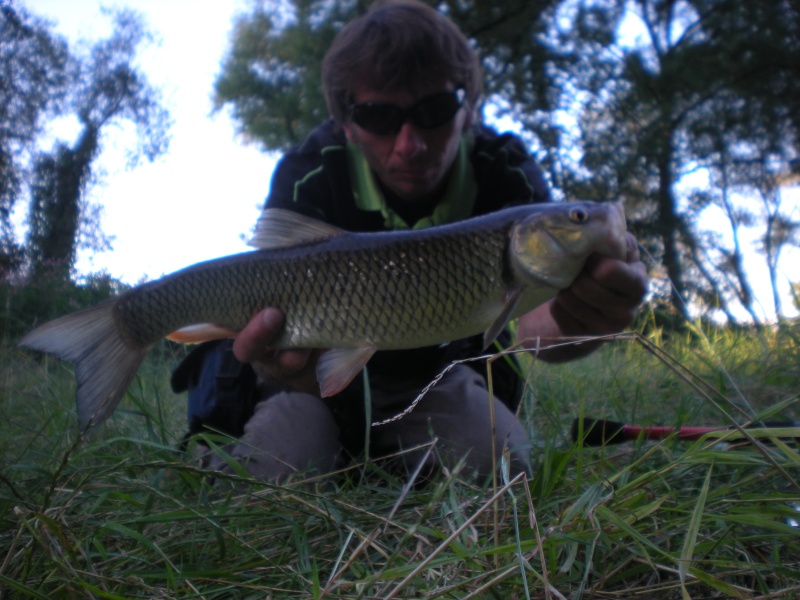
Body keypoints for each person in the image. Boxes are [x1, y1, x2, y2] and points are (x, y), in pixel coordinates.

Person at [216, 0, 648, 482]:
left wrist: (582, 316)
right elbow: (267, 325)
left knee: (508, 471)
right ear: (347, 124)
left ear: (468, 109)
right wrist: (277, 362)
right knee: (272, 474)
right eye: (379, 117)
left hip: (441, 375)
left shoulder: (505, 174)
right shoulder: (308, 173)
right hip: (309, 381)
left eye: (435, 111)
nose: (410, 144)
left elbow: (533, 331)